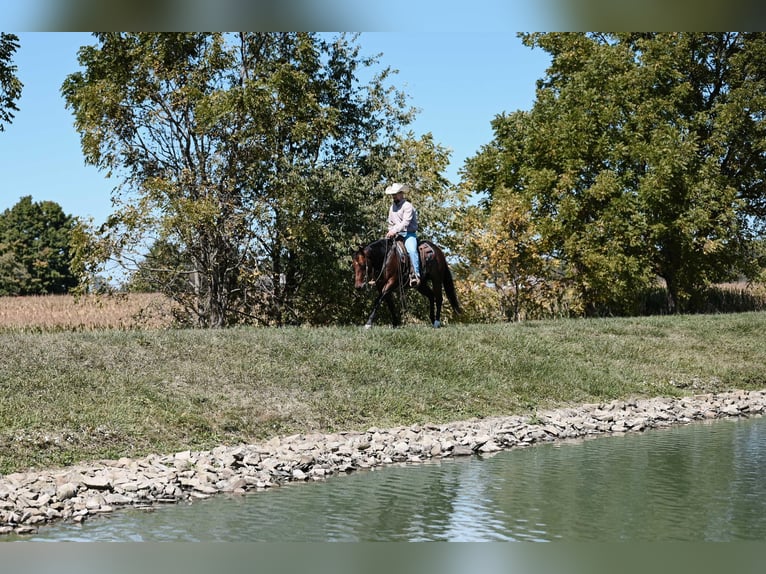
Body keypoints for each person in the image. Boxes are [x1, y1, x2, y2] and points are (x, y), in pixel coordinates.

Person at [384, 182, 420, 286]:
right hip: (397, 235)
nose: (394, 196)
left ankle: (416, 274)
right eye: (393, 194)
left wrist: (394, 231)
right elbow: (390, 222)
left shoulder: (408, 206)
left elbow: (405, 222)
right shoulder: (392, 208)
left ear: (401, 194)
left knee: (412, 251)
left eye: (395, 194)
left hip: (408, 234)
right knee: (384, 249)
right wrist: (390, 231)